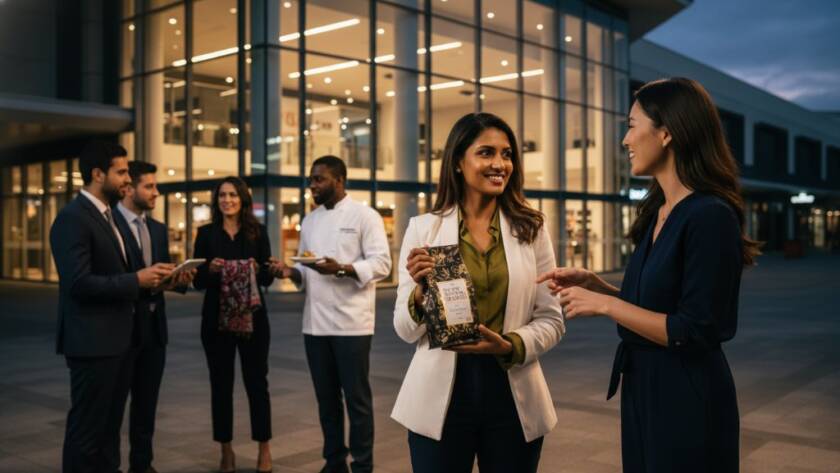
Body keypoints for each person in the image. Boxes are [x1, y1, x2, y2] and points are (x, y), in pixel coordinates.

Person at [538, 77, 761, 473]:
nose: (625, 140)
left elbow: (692, 329)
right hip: (645, 387)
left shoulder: (709, 216)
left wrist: (606, 304)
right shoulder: (659, 211)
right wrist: (597, 285)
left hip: (687, 395)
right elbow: (658, 304)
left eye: (631, 125)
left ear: (667, 132)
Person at [391, 113, 565, 473]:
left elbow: (551, 319)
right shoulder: (424, 229)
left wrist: (511, 345)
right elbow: (404, 330)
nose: (500, 164)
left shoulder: (531, 229)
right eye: (486, 153)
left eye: (507, 154)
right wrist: (420, 299)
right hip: (440, 399)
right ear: (458, 161)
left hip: (512, 394)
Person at [50, 141, 173, 473]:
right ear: (97, 174)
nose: (127, 181)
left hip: (119, 343)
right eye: (121, 172)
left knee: (107, 433)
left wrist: (162, 277)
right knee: (87, 435)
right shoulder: (73, 218)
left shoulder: (107, 217)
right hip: (92, 345)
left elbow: (125, 272)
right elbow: (78, 284)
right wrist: (137, 280)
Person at [270, 155, 392, 473]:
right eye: (311, 179)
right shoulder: (309, 221)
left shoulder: (366, 216)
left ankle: (363, 465)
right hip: (315, 324)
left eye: (319, 179)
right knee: (327, 402)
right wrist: (290, 271)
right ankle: (334, 462)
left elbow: (382, 264)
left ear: (339, 180)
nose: (312, 185)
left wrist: (341, 269)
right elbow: (306, 269)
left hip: (352, 324)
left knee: (358, 402)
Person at [106, 160, 194, 473]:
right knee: (114, 409)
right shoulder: (110, 224)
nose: (156, 192)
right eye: (150, 186)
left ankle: (142, 466)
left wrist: (179, 280)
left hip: (155, 331)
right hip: (122, 330)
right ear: (129, 188)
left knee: (146, 406)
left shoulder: (156, 228)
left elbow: (161, 275)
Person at [193, 176, 276, 473]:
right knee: (221, 386)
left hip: (253, 320)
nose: (227, 200)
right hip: (216, 321)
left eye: (232, 195)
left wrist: (261, 269)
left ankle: (264, 448)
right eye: (222, 195)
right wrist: (210, 270)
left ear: (243, 199)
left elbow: (267, 277)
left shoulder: (258, 232)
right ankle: (225, 450)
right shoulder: (205, 234)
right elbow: (198, 280)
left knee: (257, 384)